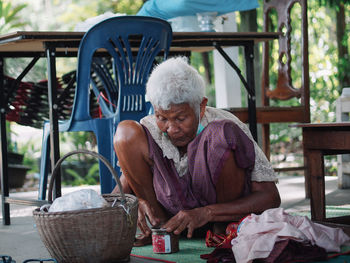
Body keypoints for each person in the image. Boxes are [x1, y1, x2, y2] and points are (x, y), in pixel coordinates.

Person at [112, 56, 280, 246]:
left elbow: (271, 198)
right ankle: (161, 229)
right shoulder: (149, 131)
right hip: (169, 222)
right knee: (125, 132)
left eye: (181, 118)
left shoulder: (226, 126)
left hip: (221, 221)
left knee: (222, 133)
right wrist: (135, 202)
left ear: (201, 106)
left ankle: (221, 229)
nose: (172, 129)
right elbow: (118, 194)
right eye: (162, 117)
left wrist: (207, 213)